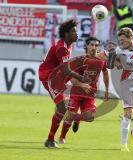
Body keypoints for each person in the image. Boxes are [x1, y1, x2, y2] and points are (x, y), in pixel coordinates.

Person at [57, 36, 109, 143]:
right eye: (92, 45)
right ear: (87, 46)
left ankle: (76, 120)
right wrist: (82, 85)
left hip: (90, 94)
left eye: (96, 45)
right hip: (76, 93)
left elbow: (105, 73)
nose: (94, 47)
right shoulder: (80, 60)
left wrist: (107, 90)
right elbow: (72, 78)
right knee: (71, 115)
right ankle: (62, 137)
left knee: (90, 118)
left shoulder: (102, 61)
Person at [38, 19, 81, 148]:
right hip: (49, 77)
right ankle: (50, 140)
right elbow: (66, 69)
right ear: (66, 34)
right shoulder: (61, 47)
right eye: (73, 31)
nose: (76, 33)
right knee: (62, 108)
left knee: (64, 107)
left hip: (57, 76)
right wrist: (80, 77)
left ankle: (73, 116)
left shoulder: (68, 45)